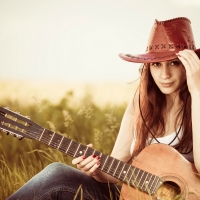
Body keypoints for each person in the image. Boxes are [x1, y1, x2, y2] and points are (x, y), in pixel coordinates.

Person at [7, 17, 200, 200]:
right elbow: (115, 172)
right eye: (156, 64)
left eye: (174, 63)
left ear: (190, 64)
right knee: (57, 173)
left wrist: (197, 90)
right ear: (148, 67)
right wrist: (97, 171)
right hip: (131, 195)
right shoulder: (141, 104)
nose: (164, 74)